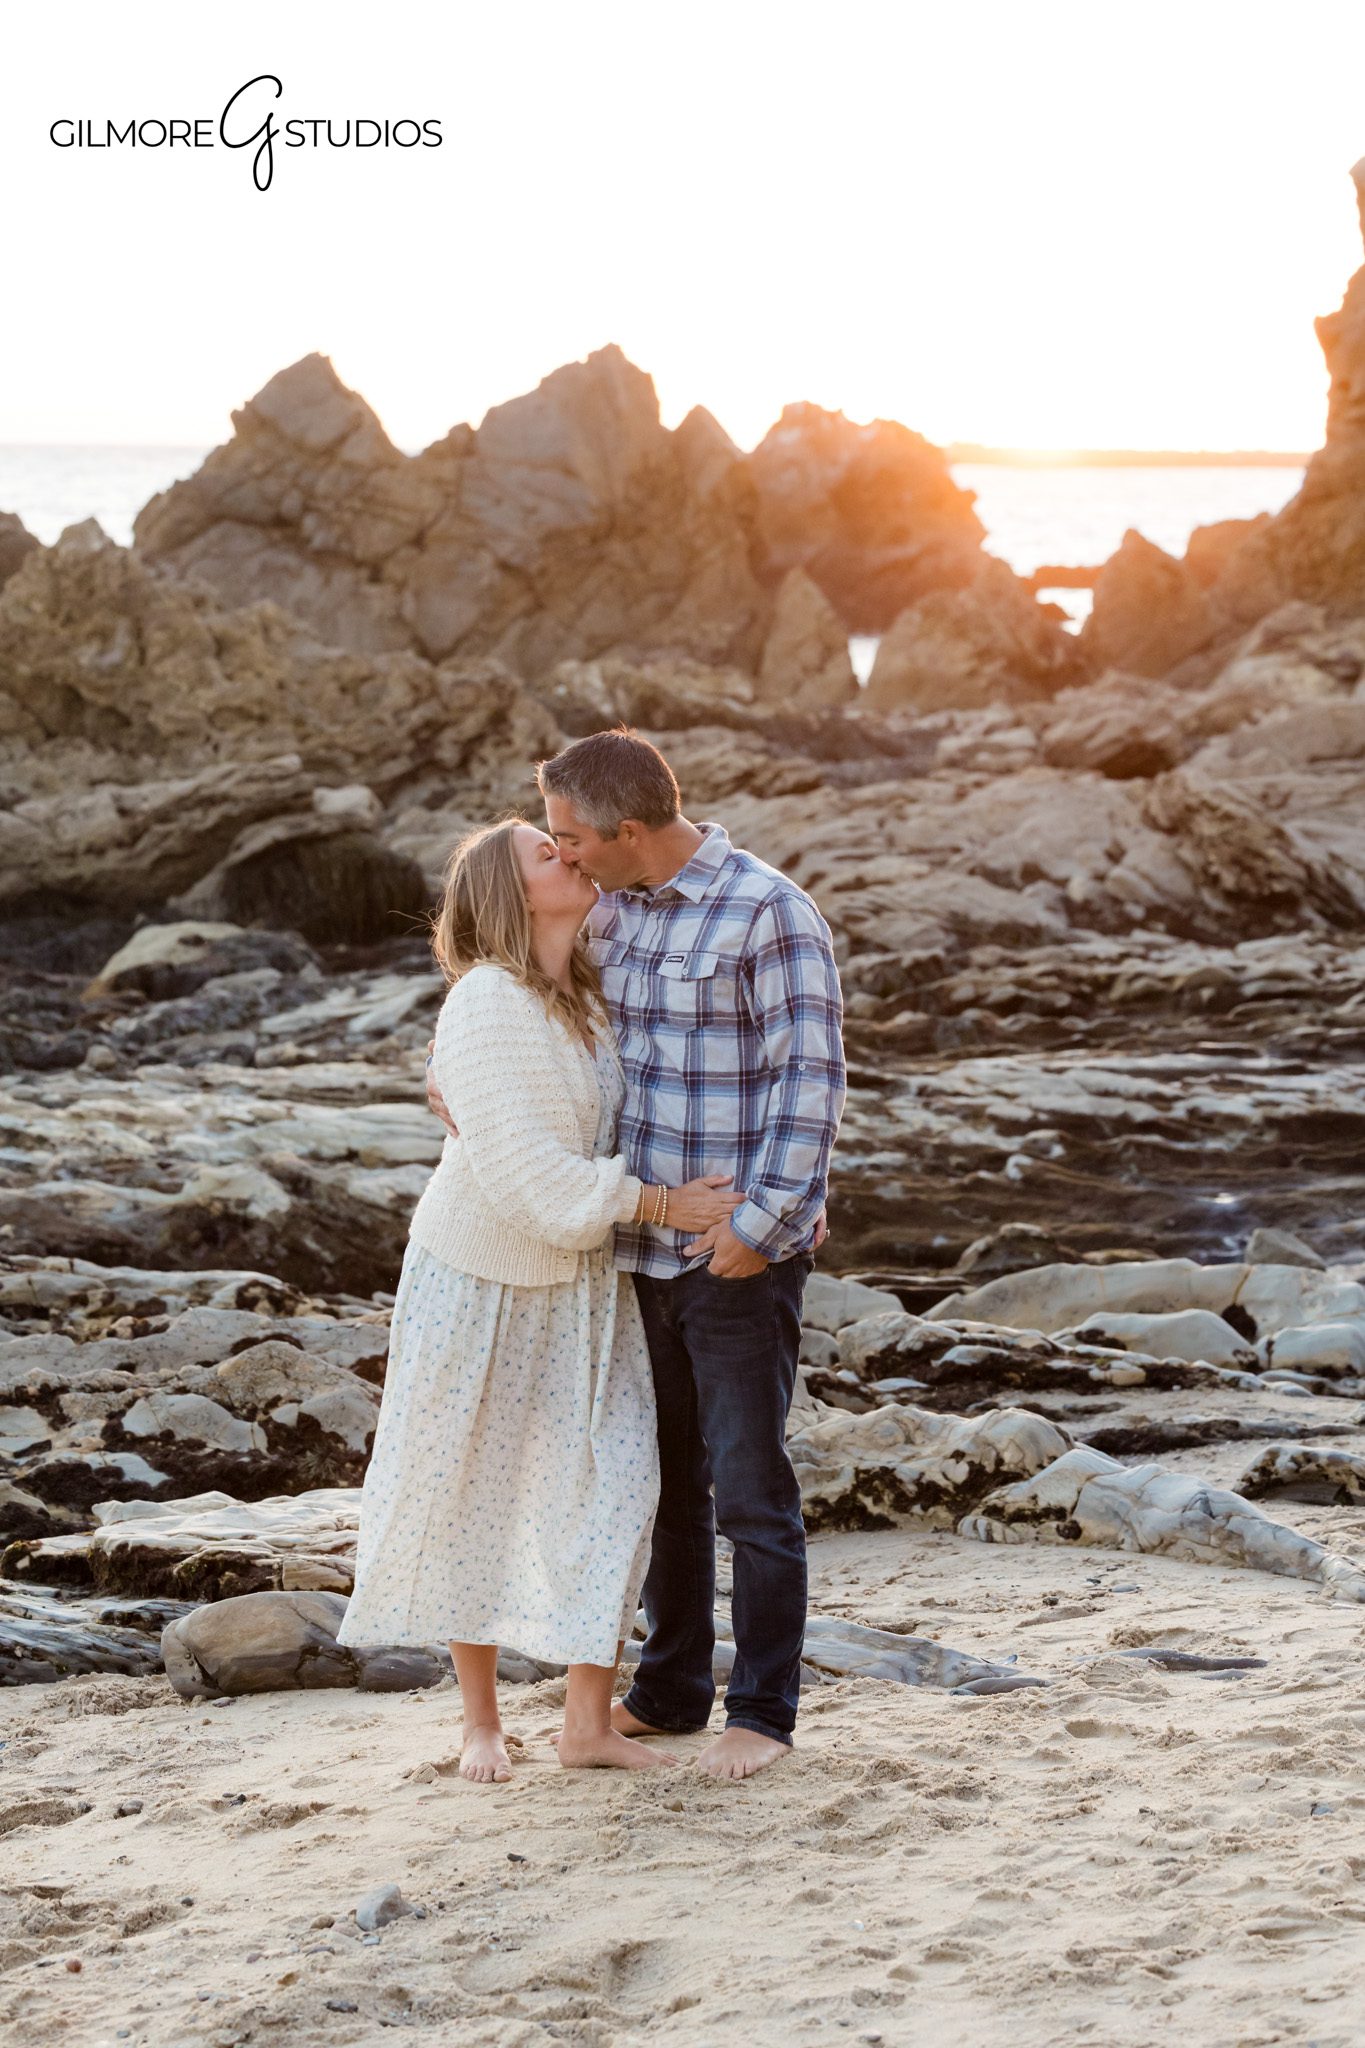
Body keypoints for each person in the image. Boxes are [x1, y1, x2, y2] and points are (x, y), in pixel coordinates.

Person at [428, 731, 846, 1779]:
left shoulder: (769, 912)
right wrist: (439, 1080)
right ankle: (669, 1689)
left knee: (751, 1486)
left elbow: (812, 1087)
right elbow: (509, 993)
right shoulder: (611, 912)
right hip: (627, 1255)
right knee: (656, 1484)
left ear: (628, 831)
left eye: (572, 837)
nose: (564, 856)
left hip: (733, 1257)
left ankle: (762, 1710)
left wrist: (766, 1226)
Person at [336, 817, 744, 1781]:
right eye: (543, 852)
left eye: (563, 845)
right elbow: (526, 1175)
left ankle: (585, 1725)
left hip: (577, 1283)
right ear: (508, 895)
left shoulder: (587, 987)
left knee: (613, 1482)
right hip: (479, 1277)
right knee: (470, 1484)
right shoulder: (487, 1001)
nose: (567, 855)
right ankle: (479, 1721)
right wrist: (654, 1201)